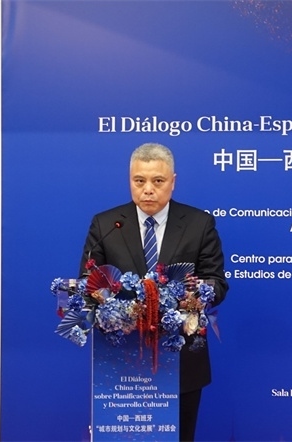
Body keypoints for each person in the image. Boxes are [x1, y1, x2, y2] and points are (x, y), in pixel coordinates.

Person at [80, 142, 228, 441]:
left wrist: (193, 295)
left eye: (158, 181)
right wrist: (116, 305)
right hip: (121, 358)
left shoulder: (199, 224)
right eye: (139, 181)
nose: (148, 190)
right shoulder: (106, 224)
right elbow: (89, 283)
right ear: (130, 180)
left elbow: (216, 283)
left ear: (173, 181)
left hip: (181, 358)